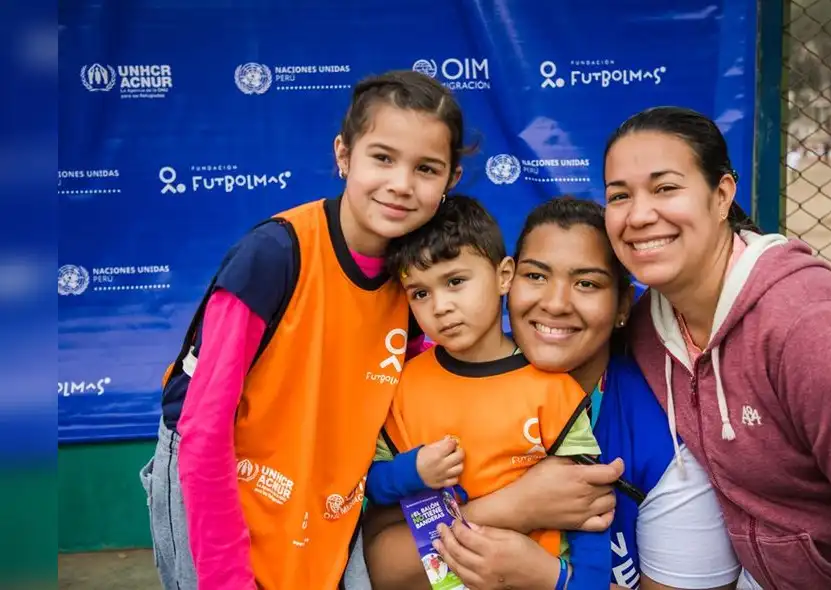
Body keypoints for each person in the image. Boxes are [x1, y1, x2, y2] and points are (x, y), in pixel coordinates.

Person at [138, 70, 468, 590]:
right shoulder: (272, 256)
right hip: (222, 489)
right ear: (344, 155)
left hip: (328, 492)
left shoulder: (416, 283)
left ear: (451, 180)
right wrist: (226, 579)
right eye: (382, 157)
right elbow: (202, 428)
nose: (401, 184)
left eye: (426, 168)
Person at [604, 106, 831, 589]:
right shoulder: (646, 327)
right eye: (620, 196)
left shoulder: (811, 328)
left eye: (665, 188)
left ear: (722, 195)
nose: (639, 215)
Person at [364, 197, 742, 590]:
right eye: (537, 276)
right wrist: (514, 507)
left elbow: (591, 526)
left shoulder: (665, 442)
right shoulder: (413, 385)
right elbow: (385, 567)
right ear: (510, 279)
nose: (556, 303)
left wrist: (547, 578)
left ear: (621, 306)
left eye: (586, 283)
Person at [366, 195, 611, 588]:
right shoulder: (403, 387)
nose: (441, 306)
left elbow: (590, 505)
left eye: (455, 281)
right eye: (420, 294)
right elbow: (372, 487)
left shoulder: (555, 389)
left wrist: (581, 584)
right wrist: (411, 471)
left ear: (504, 275)